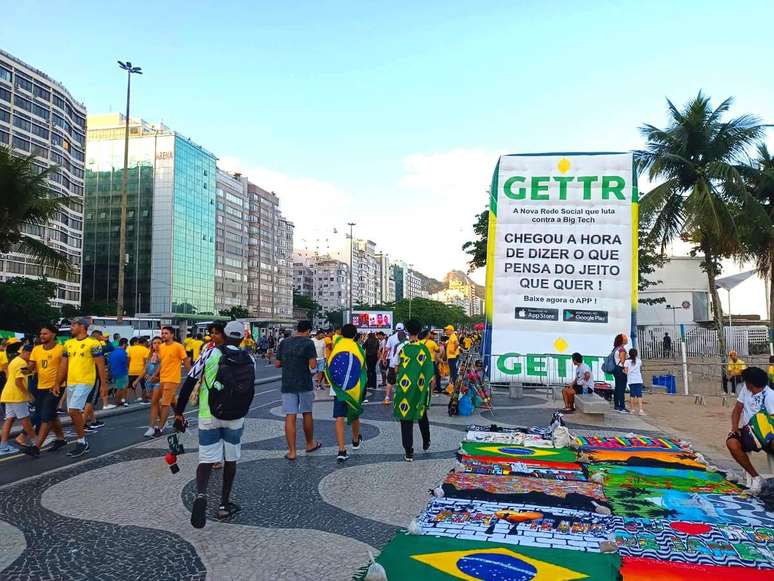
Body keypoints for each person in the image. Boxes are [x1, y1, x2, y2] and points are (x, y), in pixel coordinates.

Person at [175, 321, 255, 528]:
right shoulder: (250, 359)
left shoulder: (209, 354)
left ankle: (201, 494)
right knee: (231, 460)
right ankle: (223, 504)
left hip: (208, 413)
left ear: (225, 335)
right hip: (236, 416)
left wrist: (178, 412)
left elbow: (190, 381)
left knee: (207, 459)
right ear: (243, 338)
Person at [57, 318, 108, 457]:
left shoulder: (93, 343)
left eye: (74, 325)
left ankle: (82, 441)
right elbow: (63, 365)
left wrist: (104, 384)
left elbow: (100, 365)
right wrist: (57, 383)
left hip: (86, 381)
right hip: (71, 382)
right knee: (72, 412)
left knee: (73, 410)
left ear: (82, 326)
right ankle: (82, 439)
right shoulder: (68, 344)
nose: (71, 327)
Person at [276, 320, 321, 460]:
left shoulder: (284, 342)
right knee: (307, 413)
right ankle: (309, 444)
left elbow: (278, 364)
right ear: (308, 331)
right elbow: (313, 365)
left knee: (290, 416)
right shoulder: (308, 343)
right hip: (304, 383)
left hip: (288, 383)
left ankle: (292, 452)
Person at [726, 366, 774, 494]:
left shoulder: (770, 396)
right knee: (732, 442)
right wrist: (735, 429)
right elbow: (737, 410)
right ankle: (756, 477)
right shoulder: (745, 390)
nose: (744, 383)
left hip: (767, 436)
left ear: (751, 383)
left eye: (746, 381)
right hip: (749, 433)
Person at [393, 319, 433, 462]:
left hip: (405, 388)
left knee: (406, 418)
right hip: (419, 388)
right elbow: (429, 371)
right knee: (421, 413)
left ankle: (409, 452)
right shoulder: (424, 349)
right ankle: (426, 441)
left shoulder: (402, 348)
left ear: (407, 331)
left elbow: (396, 368)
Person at [326, 324, 365, 462]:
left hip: (338, 388)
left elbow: (329, 363)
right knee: (354, 413)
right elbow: (362, 369)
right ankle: (355, 440)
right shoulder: (358, 349)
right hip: (353, 388)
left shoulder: (338, 345)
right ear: (355, 335)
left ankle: (341, 450)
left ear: (341, 333)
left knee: (339, 416)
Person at [28, 325, 67, 454]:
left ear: (53, 334)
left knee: (46, 416)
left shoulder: (61, 349)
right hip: (41, 387)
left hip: (56, 387)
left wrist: (58, 383)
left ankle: (36, 447)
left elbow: (64, 368)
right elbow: (31, 367)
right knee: (52, 414)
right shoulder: (36, 349)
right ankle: (61, 438)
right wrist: (21, 367)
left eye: (45, 333)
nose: (42, 336)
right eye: (41, 334)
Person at [152, 326, 190, 437]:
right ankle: (182, 420)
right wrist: (155, 375)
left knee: (164, 403)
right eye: (162, 333)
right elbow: (162, 363)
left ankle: (160, 429)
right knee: (173, 403)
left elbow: (186, 360)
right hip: (163, 379)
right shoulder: (161, 347)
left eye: (166, 333)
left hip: (172, 379)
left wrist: (191, 375)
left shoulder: (178, 346)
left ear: (172, 335)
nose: (164, 335)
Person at [0, 343, 37, 455]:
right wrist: (28, 394)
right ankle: (36, 442)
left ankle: (3, 446)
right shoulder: (21, 363)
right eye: (31, 355)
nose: (32, 359)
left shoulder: (15, 360)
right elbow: (18, 381)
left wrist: (33, 371)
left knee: (9, 420)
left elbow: (20, 373)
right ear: (27, 353)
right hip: (17, 396)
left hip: (8, 394)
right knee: (25, 419)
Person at [141, 337, 163, 437]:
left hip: (159, 381)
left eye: (159, 343)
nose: (156, 345)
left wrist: (156, 376)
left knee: (154, 402)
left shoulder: (164, 355)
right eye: (154, 343)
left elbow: (165, 368)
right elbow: (145, 368)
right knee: (156, 403)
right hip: (149, 381)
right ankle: (164, 419)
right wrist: (137, 380)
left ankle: (151, 427)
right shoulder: (150, 355)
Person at [384, 323, 407, 405]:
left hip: (392, 363)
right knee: (402, 382)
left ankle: (387, 397)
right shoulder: (407, 339)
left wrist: (384, 359)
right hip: (404, 365)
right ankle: (401, 398)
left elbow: (386, 350)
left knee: (390, 382)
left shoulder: (391, 338)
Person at [127, 337, 150, 403]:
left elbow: (128, 360)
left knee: (130, 386)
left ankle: (128, 400)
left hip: (131, 370)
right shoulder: (146, 350)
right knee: (143, 386)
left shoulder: (130, 348)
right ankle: (144, 399)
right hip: (141, 371)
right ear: (144, 342)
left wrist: (129, 367)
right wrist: (146, 372)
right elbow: (146, 362)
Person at [108, 338, 130, 408]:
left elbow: (109, 363)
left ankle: (119, 400)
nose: (127, 346)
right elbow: (126, 363)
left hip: (114, 371)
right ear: (124, 344)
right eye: (127, 344)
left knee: (118, 387)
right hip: (122, 371)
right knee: (121, 388)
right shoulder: (123, 352)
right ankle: (118, 401)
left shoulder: (113, 352)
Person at [611, 334, 630, 413]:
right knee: (621, 388)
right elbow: (623, 362)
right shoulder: (621, 350)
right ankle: (621, 406)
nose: (626, 338)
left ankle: (617, 405)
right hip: (621, 370)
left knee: (618, 387)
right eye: (624, 337)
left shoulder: (616, 349)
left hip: (616, 369)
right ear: (621, 340)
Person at [625, 348, 645, 415]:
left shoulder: (627, 361)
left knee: (632, 395)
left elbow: (626, 371)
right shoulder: (639, 361)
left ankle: (632, 410)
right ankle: (641, 410)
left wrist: (623, 371)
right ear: (636, 354)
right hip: (638, 379)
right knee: (639, 395)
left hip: (631, 380)